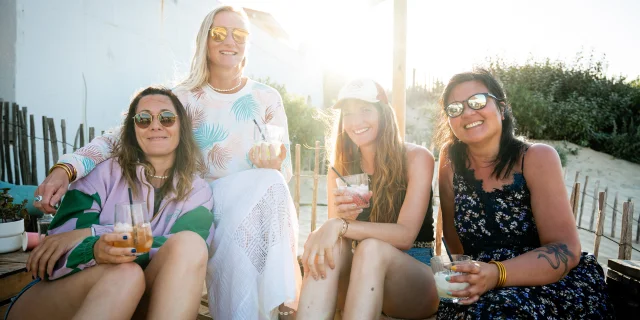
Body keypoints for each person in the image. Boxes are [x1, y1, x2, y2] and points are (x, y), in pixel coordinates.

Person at [32, 5, 301, 320]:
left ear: (248, 42)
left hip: (246, 206)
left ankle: (274, 302)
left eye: (239, 33)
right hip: (198, 206)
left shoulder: (268, 98)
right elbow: (118, 138)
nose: (230, 40)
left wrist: (272, 163)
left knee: (269, 182)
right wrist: (66, 169)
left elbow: (284, 172)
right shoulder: (181, 99)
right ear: (204, 39)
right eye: (219, 32)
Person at [7, 87, 214, 320]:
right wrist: (94, 250)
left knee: (190, 244)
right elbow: (55, 251)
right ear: (132, 130)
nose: (156, 125)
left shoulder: (197, 192)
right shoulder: (101, 174)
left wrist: (92, 232)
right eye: (144, 119)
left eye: (166, 118)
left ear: (181, 128)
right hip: (59, 300)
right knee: (126, 274)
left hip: (141, 303)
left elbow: (186, 256)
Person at [434, 69, 614, 319]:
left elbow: (566, 248)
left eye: (477, 101)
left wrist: (497, 274)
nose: (467, 112)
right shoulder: (449, 160)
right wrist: (471, 277)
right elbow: (454, 241)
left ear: (502, 108)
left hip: (548, 284)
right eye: (454, 108)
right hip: (481, 284)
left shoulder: (536, 157)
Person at [296, 79, 439, 319]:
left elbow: (405, 236)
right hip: (360, 277)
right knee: (332, 245)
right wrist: (343, 221)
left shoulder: (416, 158)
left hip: (413, 280)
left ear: (384, 113)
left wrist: (343, 225)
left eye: (365, 110)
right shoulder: (340, 170)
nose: (356, 121)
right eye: (348, 113)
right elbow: (339, 236)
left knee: (371, 247)